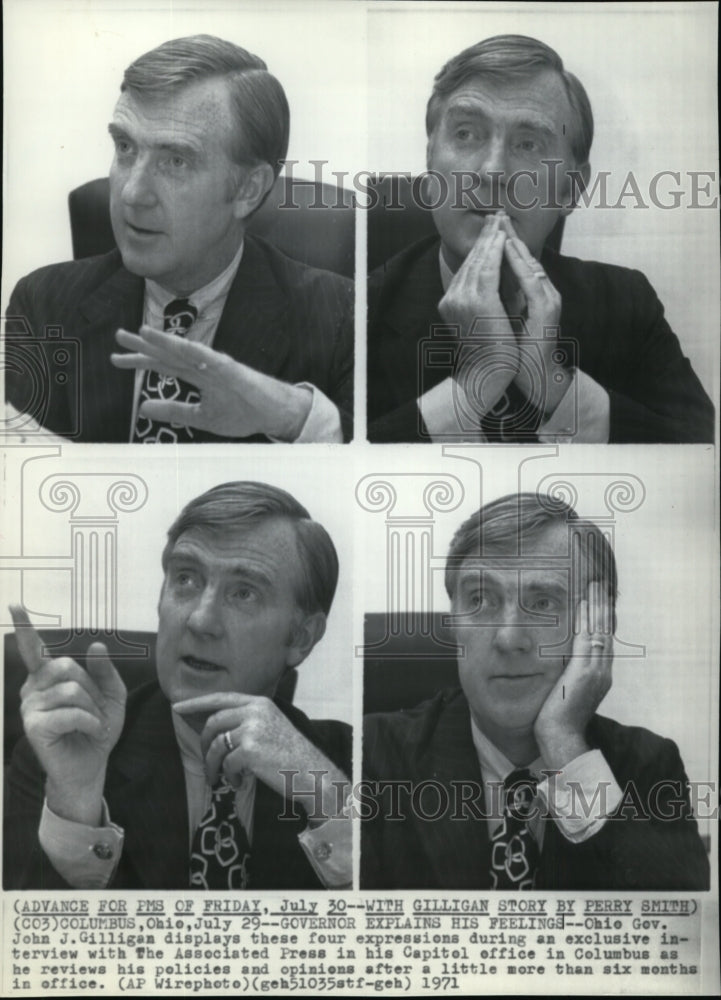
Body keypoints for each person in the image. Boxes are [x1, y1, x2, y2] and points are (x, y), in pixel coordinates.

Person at [4, 35, 353, 443]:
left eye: (175, 161)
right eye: (125, 147)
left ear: (248, 190)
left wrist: (292, 415)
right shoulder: (45, 303)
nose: (132, 193)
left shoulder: (342, 319)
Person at [4, 481, 352, 889]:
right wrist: (77, 802)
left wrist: (328, 799)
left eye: (244, 593)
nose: (200, 620)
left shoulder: (348, 761)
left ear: (301, 638)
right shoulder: (65, 751)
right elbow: (35, 942)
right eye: (186, 579)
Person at [367, 35, 713, 443]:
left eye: (528, 144)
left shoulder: (627, 305)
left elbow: (703, 462)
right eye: (465, 134)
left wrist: (556, 387)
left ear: (571, 190)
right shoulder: (359, 308)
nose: (493, 171)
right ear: (430, 163)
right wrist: (471, 387)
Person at [361, 492, 710, 890]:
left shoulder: (648, 766)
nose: (509, 639)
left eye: (543, 602)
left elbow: (677, 932)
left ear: (597, 627)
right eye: (480, 599)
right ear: (453, 622)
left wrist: (564, 743)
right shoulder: (373, 754)